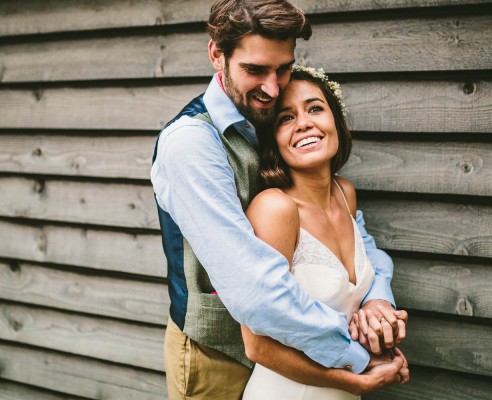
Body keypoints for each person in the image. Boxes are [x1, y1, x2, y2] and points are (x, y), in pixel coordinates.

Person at [150, 1, 407, 398]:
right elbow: (253, 287)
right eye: (255, 70)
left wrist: (376, 302)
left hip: (290, 349)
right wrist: (354, 352)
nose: (273, 88)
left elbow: (360, 242)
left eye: (283, 68)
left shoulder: (267, 112)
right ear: (217, 54)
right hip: (215, 355)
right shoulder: (192, 143)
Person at [241, 65, 409, 399]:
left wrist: (376, 313)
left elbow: (364, 276)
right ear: (273, 139)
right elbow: (257, 346)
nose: (304, 123)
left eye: (315, 108)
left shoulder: (344, 193)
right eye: (285, 118)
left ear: (335, 121)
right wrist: (362, 371)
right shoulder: (274, 209)